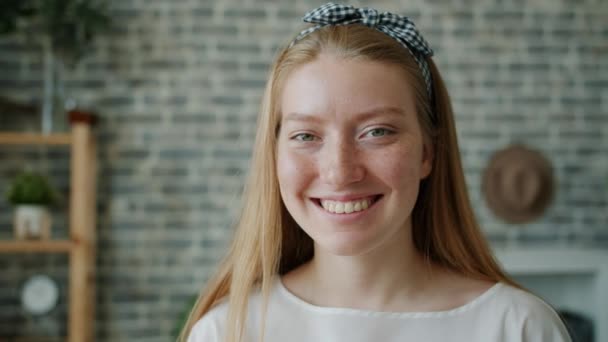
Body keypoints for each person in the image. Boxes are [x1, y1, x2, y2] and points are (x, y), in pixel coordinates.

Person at [180, 3, 572, 342]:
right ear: (274, 155)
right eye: (306, 135)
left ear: (427, 153)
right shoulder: (226, 332)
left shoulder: (519, 328)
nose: (339, 172)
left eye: (377, 132)